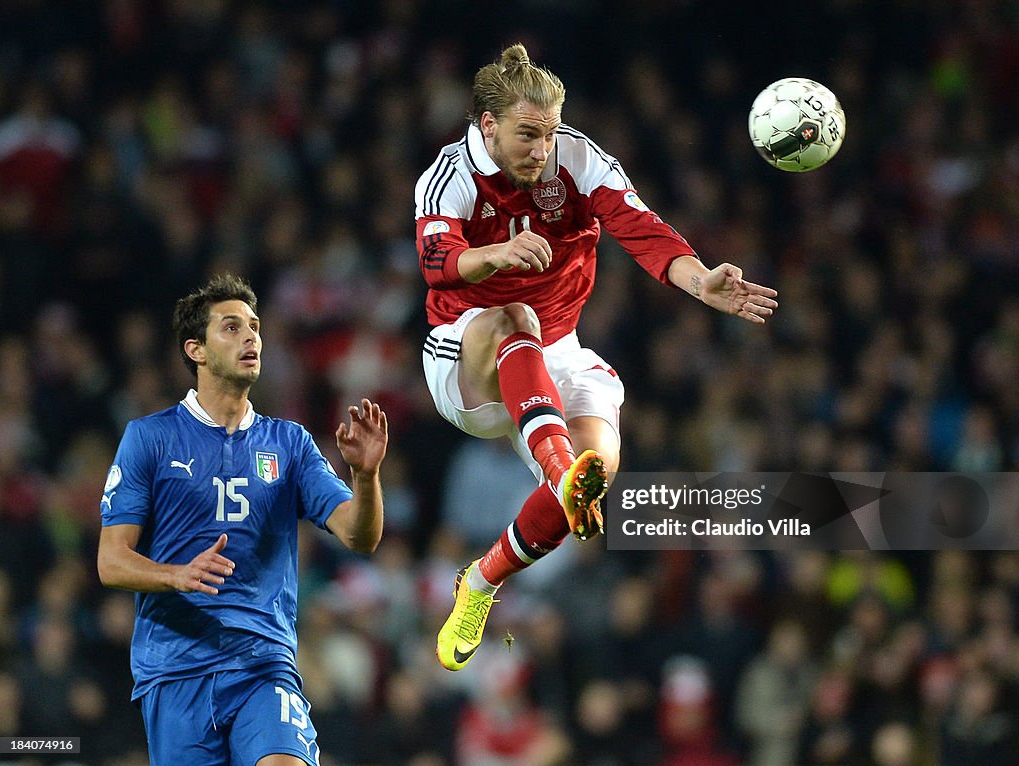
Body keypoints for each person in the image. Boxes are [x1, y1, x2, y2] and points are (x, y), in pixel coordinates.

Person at [415, 43, 778, 671]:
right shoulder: (448, 177)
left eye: (549, 133)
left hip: (557, 354)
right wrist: (494, 257)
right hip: (465, 358)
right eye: (528, 135)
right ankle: (560, 473)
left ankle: (480, 582)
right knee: (514, 317)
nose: (541, 149)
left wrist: (701, 284)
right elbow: (435, 262)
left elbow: (643, 229)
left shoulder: (577, 159)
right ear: (488, 126)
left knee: (598, 470)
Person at [97, 274, 388, 766]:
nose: (251, 337)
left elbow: (360, 536)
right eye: (231, 328)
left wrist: (365, 476)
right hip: (175, 668)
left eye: (254, 326)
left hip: (262, 662)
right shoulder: (149, 438)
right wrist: (176, 575)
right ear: (197, 350)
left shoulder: (290, 444)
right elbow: (110, 561)